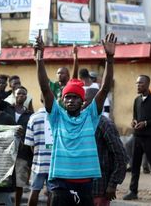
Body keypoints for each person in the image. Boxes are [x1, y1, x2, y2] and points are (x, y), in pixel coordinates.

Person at [34, 33, 116, 206]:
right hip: (59, 182)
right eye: (67, 97)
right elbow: (44, 87)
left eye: (75, 97)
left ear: (83, 100)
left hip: (85, 183)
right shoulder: (56, 116)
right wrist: (39, 58)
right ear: (62, 100)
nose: (71, 100)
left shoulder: (90, 116)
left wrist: (109, 58)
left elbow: (105, 88)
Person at [123, 75, 151, 203]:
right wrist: (134, 122)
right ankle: (133, 191)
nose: (137, 85)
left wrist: (146, 123)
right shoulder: (137, 100)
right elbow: (135, 116)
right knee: (135, 166)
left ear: (147, 84)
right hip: (138, 137)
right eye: (137, 83)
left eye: (140, 83)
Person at [90, 88, 128, 206]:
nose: (82, 104)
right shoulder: (83, 122)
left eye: (86, 101)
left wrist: (113, 184)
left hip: (100, 189)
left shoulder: (104, 124)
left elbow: (121, 156)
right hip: (84, 188)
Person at [25, 101, 52, 206]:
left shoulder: (34, 117)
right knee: (52, 193)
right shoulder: (60, 116)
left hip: (39, 163)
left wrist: (37, 155)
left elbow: (30, 143)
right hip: (55, 164)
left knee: (34, 190)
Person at [12, 86, 33, 206]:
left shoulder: (30, 114)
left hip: (23, 152)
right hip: (6, 151)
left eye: (24, 94)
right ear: (14, 95)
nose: (21, 96)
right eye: (19, 93)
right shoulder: (7, 110)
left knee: (19, 183)